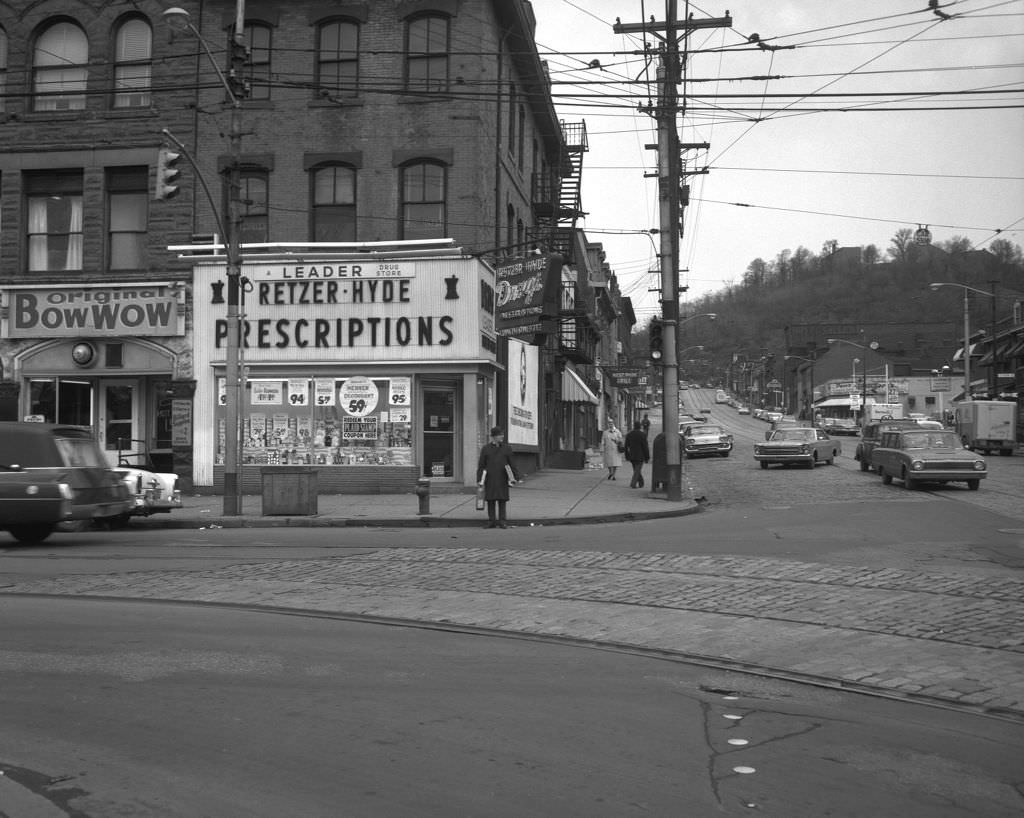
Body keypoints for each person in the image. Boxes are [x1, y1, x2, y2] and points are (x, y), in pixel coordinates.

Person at [476, 426, 521, 529]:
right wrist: (479, 479)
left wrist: (515, 477)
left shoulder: (506, 448)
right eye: (500, 435)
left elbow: (512, 463)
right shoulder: (486, 449)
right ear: (494, 437)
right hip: (490, 478)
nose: (502, 436)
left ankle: (502, 521)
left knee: (502, 499)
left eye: (502, 434)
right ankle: (491, 521)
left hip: (502, 477)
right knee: (490, 500)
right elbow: (481, 465)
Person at [623, 420, 650, 489]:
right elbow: (645, 447)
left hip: (632, 455)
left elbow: (626, 446)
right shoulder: (642, 435)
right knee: (637, 470)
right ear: (640, 426)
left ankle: (641, 482)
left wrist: (626, 455)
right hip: (640, 455)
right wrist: (647, 457)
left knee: (636, 470)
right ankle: (633, 483)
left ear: (634, 426)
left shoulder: (629, 434)